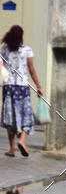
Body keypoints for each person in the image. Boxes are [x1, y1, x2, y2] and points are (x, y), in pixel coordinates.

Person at [0, 25, 43, 158]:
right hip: (23, 88)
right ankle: (22, 141)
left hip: (8, 87)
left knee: (10, 116)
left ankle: (12, 149)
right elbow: (31, 70)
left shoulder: (4, 51)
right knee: (27, 115)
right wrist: (39, 86)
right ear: (21, 36)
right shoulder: (27, 50)